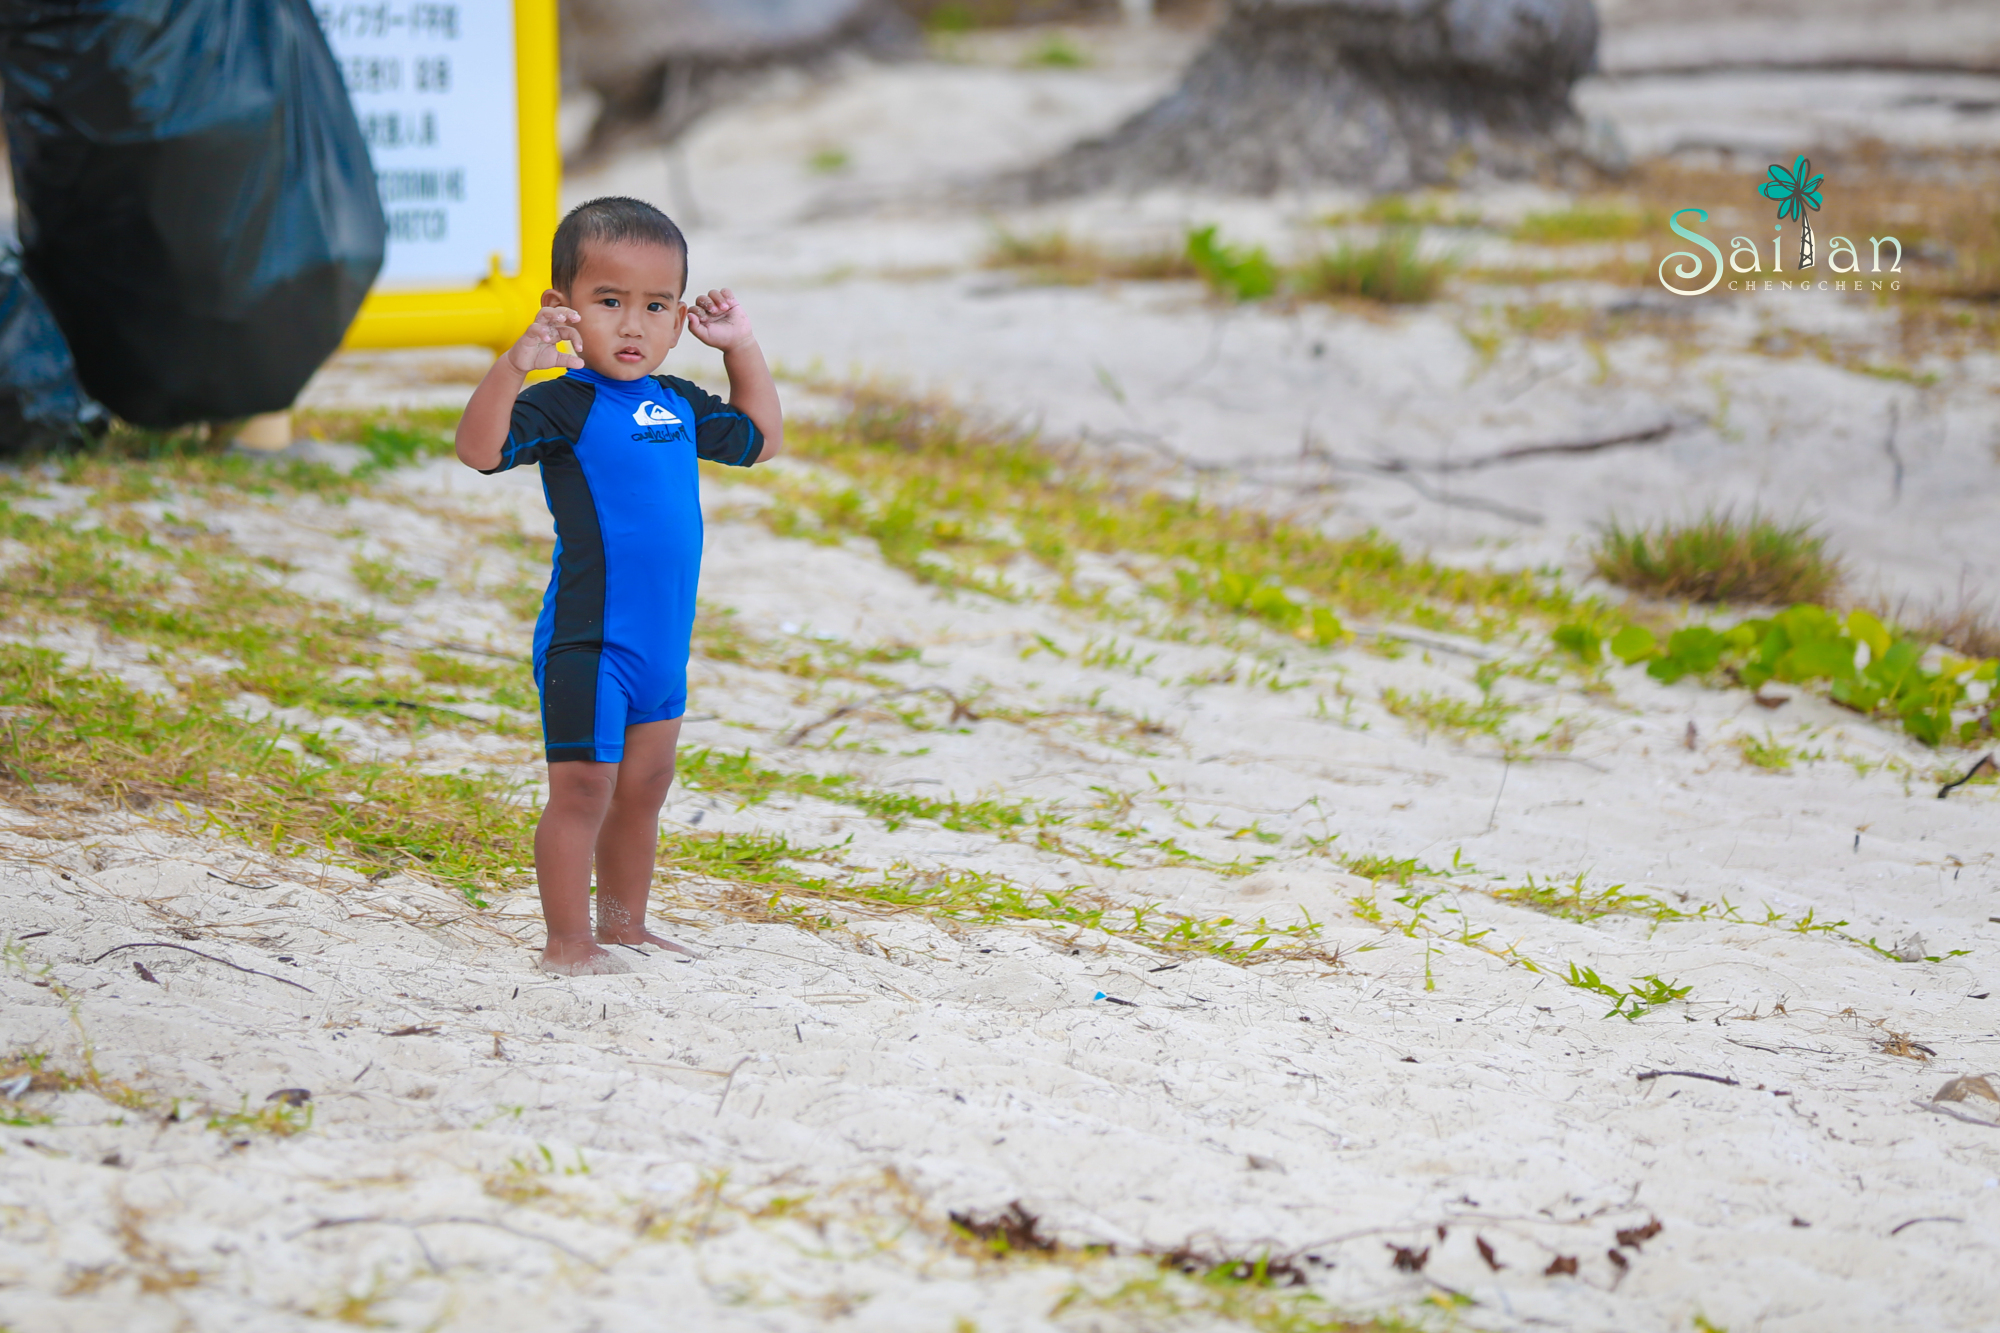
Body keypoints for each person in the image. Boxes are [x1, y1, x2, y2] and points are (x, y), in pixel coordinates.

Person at [454, 196, 782, 975]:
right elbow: (479, 449)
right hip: (591, 642)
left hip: (662, 646)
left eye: (654, 306)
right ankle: (568, 940)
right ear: (561, 308)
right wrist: (515, 362)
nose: (632, 326)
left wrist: (741, 347)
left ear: (676, 322)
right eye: (609, 303)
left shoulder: (676, 405)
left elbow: (763, 440)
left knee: (645, 787)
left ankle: (625, 925)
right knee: (583, 791)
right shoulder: (561, 404)